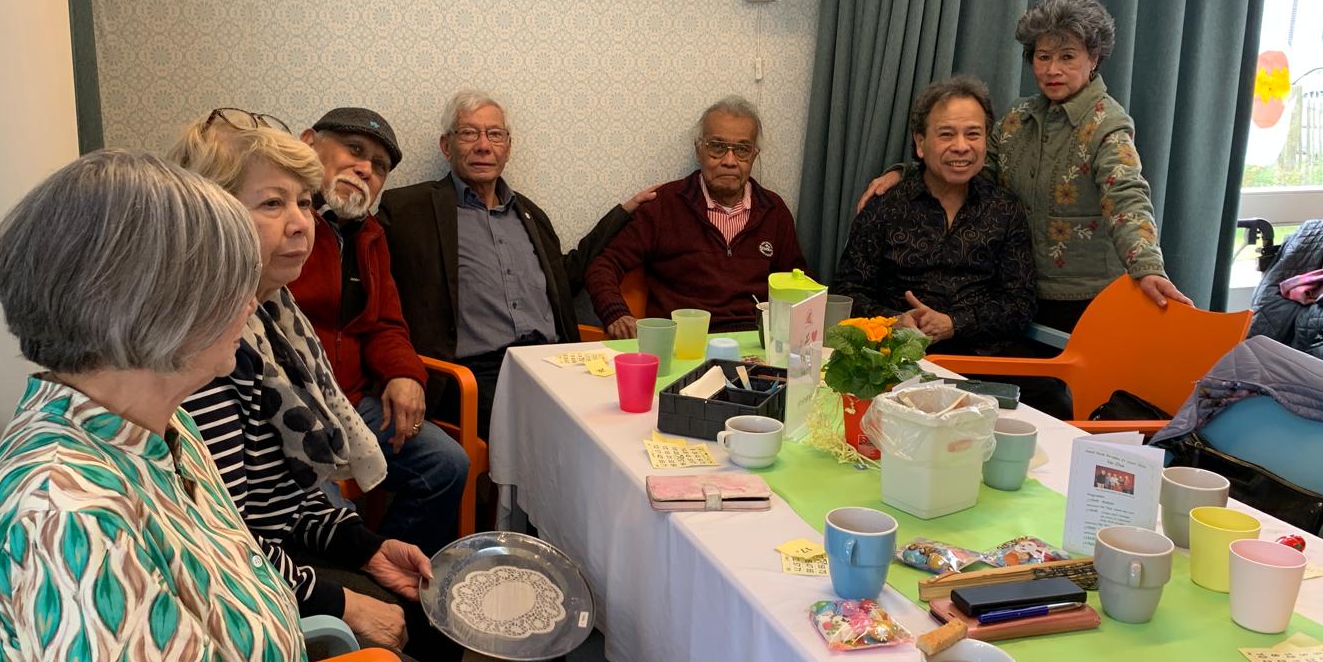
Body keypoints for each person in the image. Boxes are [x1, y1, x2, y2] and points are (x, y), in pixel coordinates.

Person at [0, 150, 630, 662]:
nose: (251, 297)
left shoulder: (158, 436)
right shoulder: (67, 517)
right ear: (150, 306)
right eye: (227, 278)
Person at [169, 115, 458, 662]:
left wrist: (366, 548)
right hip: (237, 589)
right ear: (209, 214)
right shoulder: (211, 356)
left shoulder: (271, 314)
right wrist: (339, 601)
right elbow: (226, 545)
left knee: (427, 604)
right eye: (273, 204)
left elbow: (280, 497)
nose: (302, 223)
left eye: (304, 202)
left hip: (280, 528)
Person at [857, 0, 1192, 331]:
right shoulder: (1019, 117)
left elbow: (1127, 197)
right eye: (1043, 57)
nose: (1052, 69)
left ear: (1094, 58)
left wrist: (1147, 267)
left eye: (1067, 56)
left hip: (1088, 301)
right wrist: (906, 172)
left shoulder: (1108, 124)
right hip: (1018, 295)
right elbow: (971, 167)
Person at [378, 89, 650, 435]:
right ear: (446, 146)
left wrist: (622, 213)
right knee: (566, 430)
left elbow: (566, 277)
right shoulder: (408, 210)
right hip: (479, 375)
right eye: (469, 133)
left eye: (495, 134)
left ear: (507, 147)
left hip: (553, 362)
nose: (483, 145)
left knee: (633, 410)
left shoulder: (530, 214)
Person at [289, 106, 468, 556]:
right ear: (308, 142)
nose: (365, 168)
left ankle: (392, 574)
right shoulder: (281, 220)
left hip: (350, 401)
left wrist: (404, 374)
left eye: (380, 166)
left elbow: (386, 323)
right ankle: (357, 580)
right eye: (354, 149)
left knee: (446, 464)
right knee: (333, 521)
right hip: (289, 407)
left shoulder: (369, 235)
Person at [832, 74, 1035, 351]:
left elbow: (1020, 303)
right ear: (920, 143)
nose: (961, 147)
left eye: (973, 134)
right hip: (895, 359)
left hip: (980, 364)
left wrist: (955, 323)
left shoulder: (1005, 209)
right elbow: (847, 293)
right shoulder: (885, 207)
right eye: (946, 134)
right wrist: (894, 322)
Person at [584, 95, 806, 338]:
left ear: (754, 155)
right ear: (699, 150)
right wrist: (616, 314)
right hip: (682, 343)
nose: (729, 161)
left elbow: (799, 284)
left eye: (742, 150)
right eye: (717, 147)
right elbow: (603, 265)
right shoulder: (665, 205)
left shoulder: (773, 211)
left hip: (753, 342)